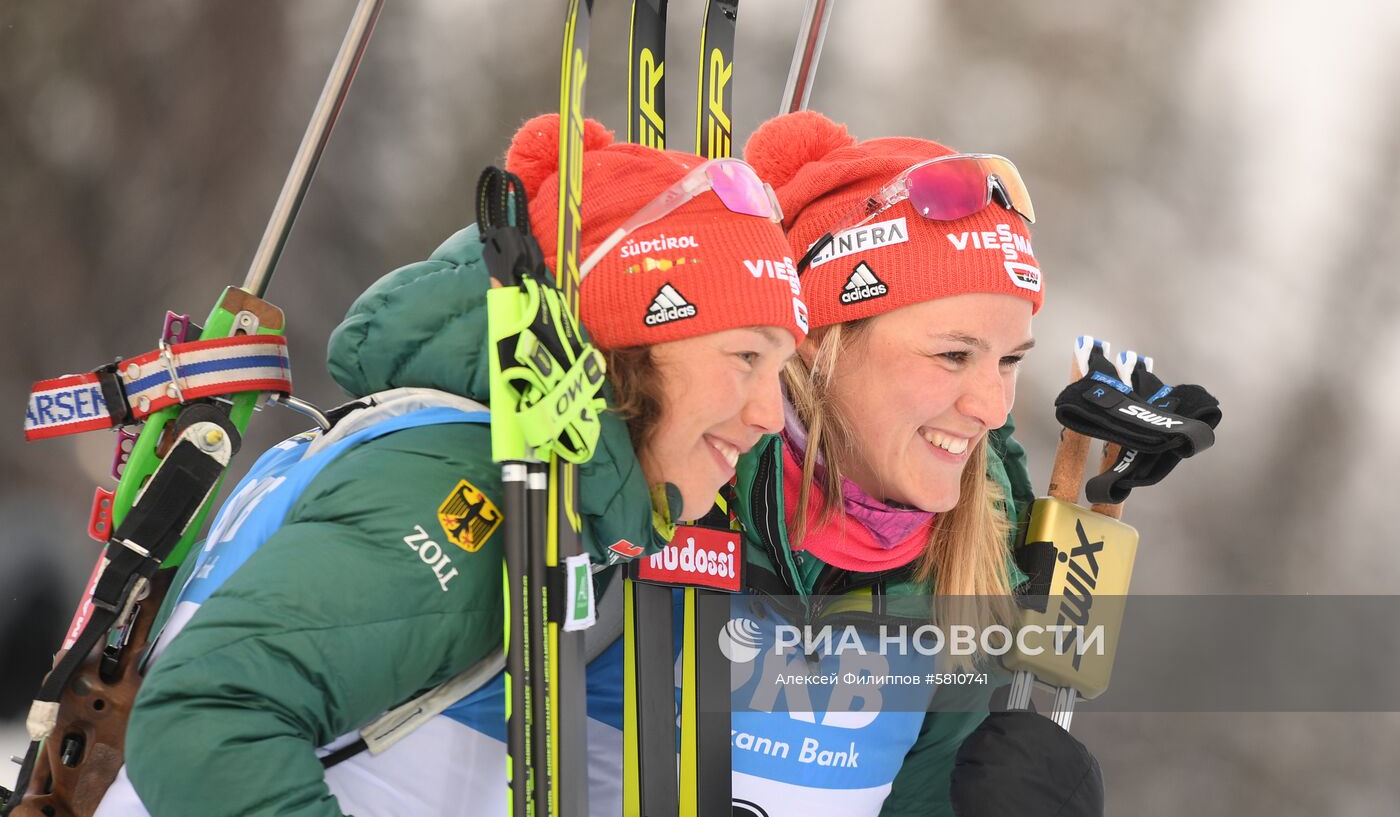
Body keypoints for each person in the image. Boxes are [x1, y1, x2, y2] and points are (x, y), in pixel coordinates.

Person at [93, 113, 807, 817]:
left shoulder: (478, 464)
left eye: (779, 369)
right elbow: (205, 719)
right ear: (623, 341)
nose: (771, 414)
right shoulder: (463, 486)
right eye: (745, 355)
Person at [717, 110, 1101, 816]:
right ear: (817, 337)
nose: (992, 407)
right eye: (953, 354)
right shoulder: (679, 499)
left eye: (1009, 360)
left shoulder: (973, 574)